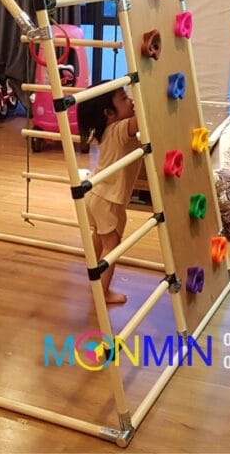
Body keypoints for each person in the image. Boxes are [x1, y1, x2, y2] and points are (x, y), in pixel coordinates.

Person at [76, 82, 140, 305]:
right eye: (124, 98)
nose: (131, 101)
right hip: (108, 199)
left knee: (100, 239)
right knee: (112, 246)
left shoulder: (107, 131)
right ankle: (102, 293)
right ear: (109, 113)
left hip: (97, 194)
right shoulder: (119, 129)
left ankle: (95, 280)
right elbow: (142, 120)